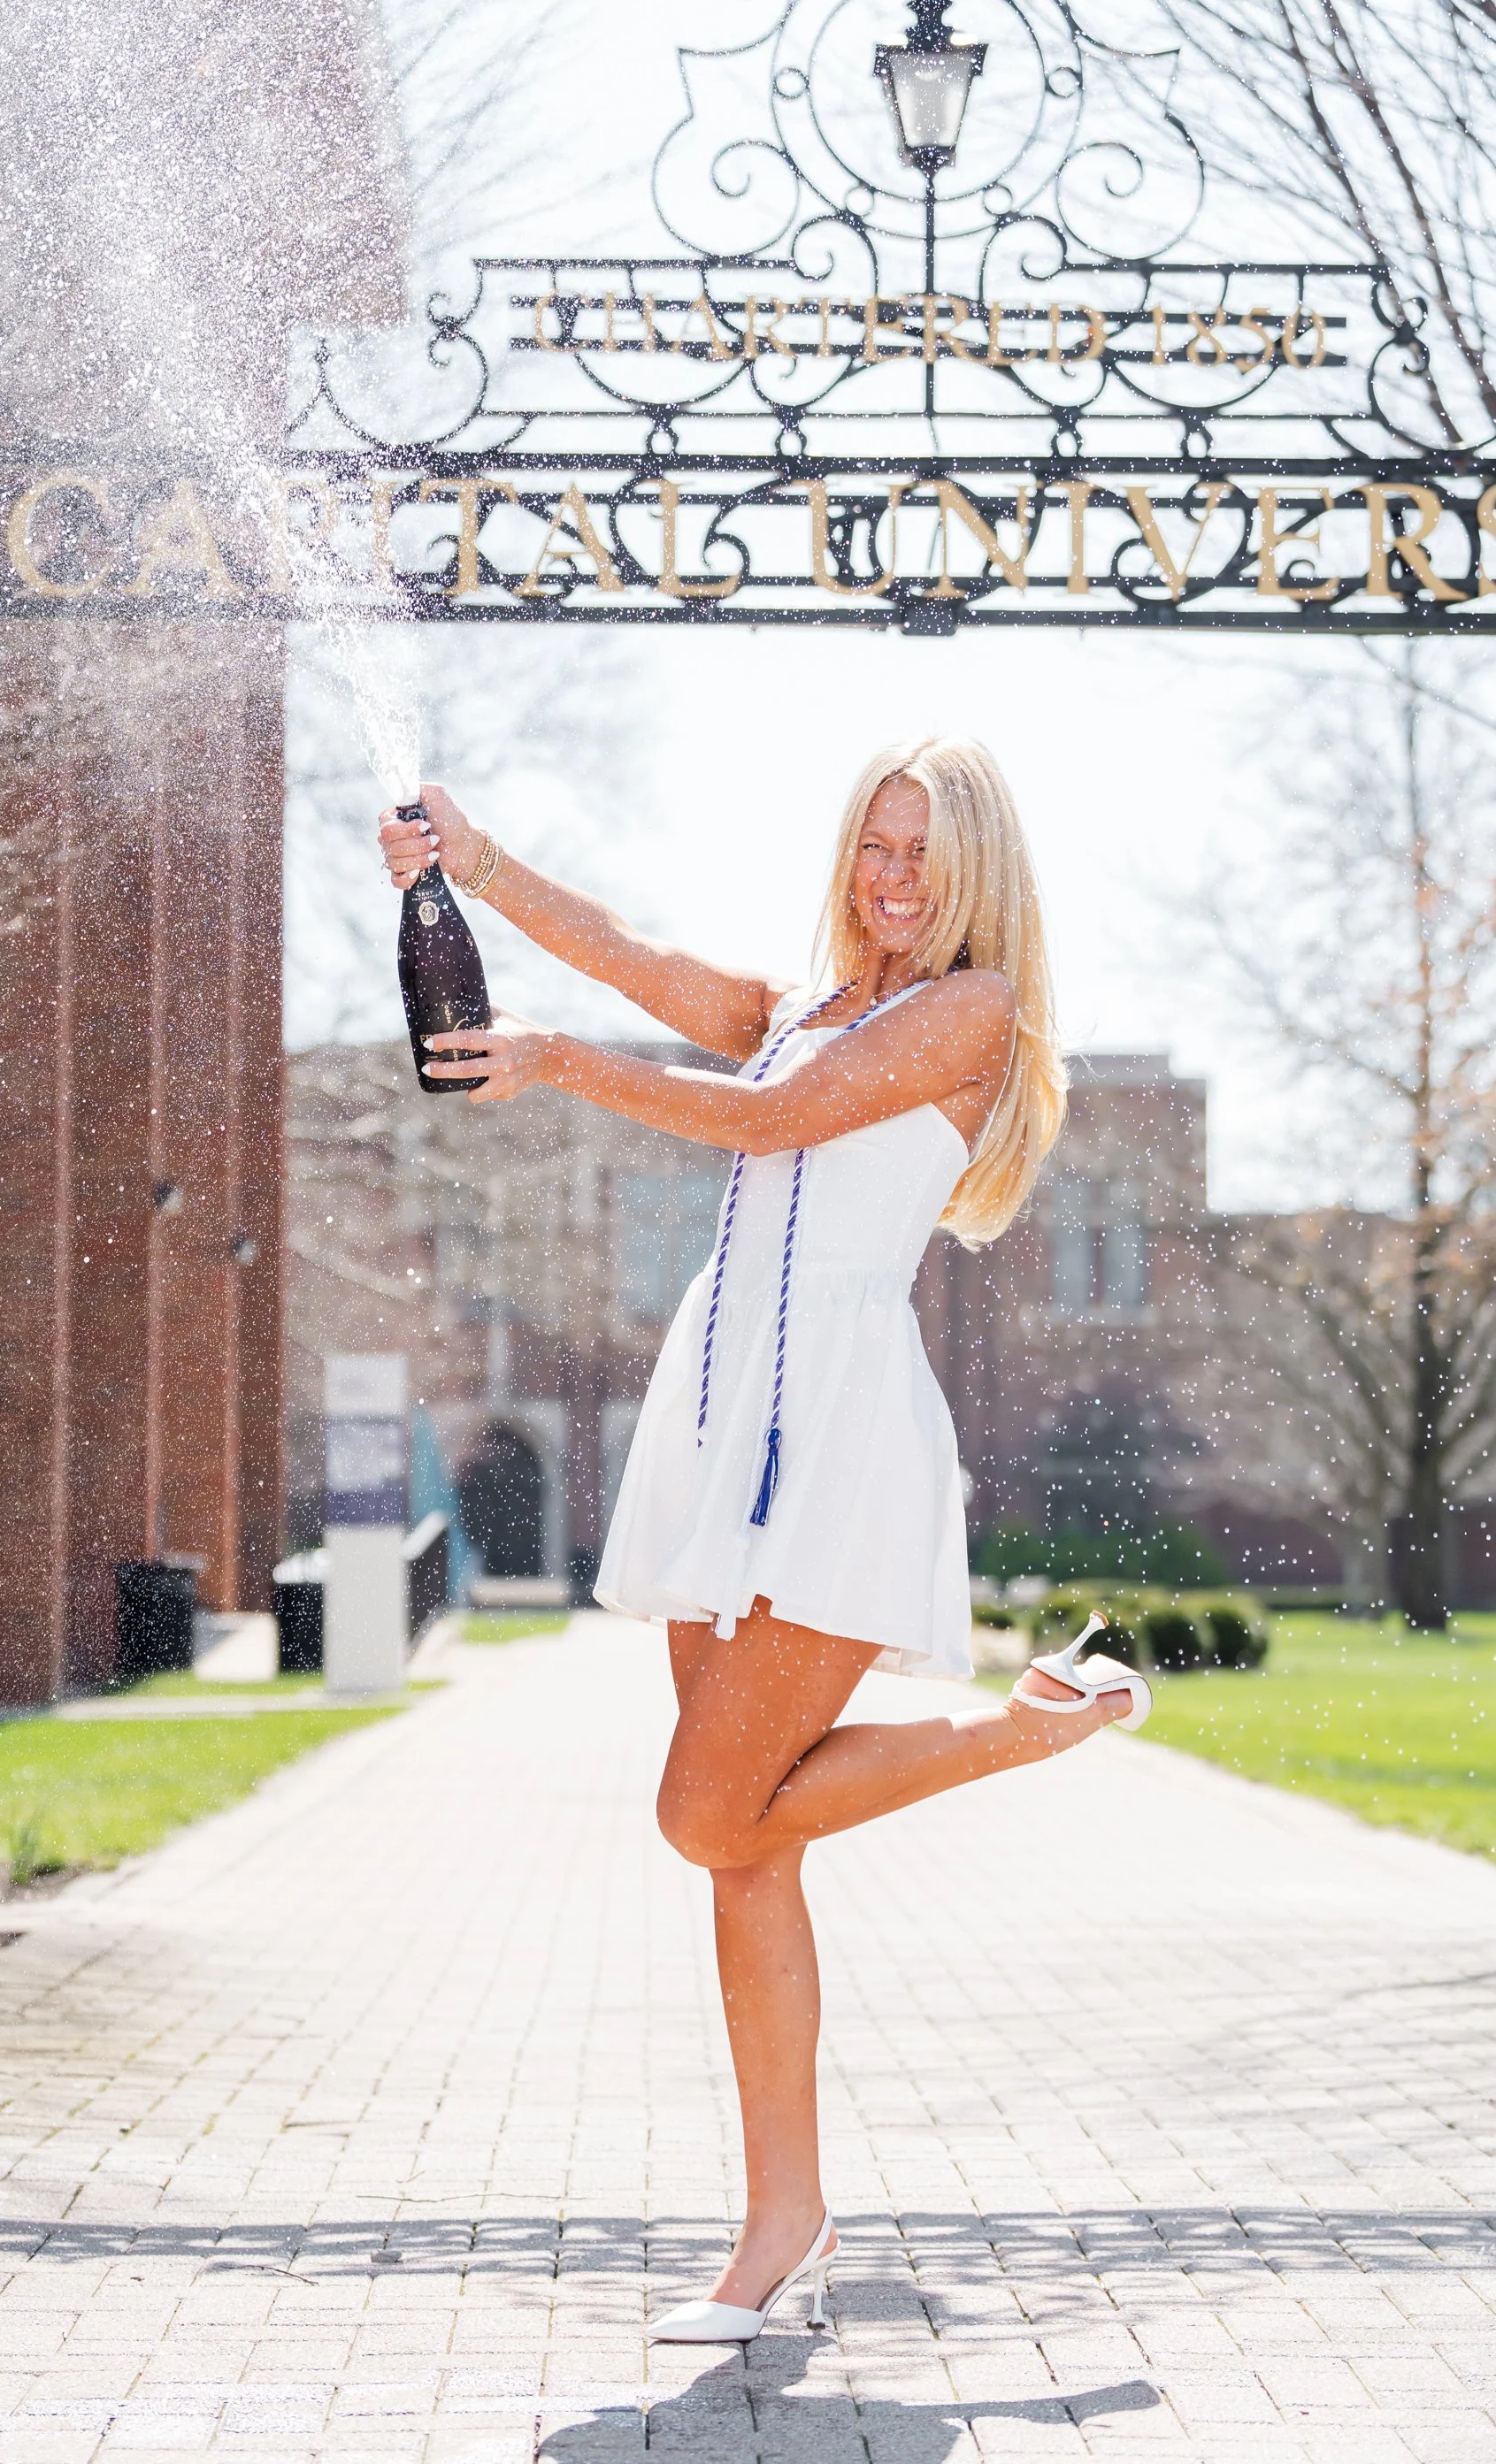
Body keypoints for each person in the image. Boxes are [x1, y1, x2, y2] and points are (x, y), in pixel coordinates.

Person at [376, 737, 1152, 2345]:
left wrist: (558, 1063)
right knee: (749, 1848)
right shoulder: (816, 996)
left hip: (839, 1435)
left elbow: (775, 1122)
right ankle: (780, 2215)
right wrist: (480, 861)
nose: (890, 880)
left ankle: (1022, 1736)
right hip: (722, 1411)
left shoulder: (971, 1012)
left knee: (699, 1810)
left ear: (975, 877)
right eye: (875, 846)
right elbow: (652, 962)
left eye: (922, 858)